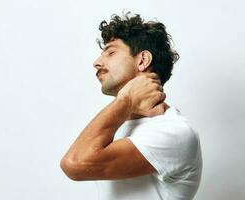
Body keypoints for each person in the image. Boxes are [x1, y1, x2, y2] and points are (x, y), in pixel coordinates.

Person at [60, 11, 202, 200]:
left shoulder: (174, 132)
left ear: (142, 60)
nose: (96, 63)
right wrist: (125, 102)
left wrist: (125, 100)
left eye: (111, 52)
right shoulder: (117, 123)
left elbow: (74, 163)